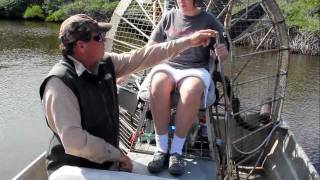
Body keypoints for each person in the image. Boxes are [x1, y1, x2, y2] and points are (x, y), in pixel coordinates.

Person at [39, 13, 218, 176]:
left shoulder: (105, 63)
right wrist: (117, 155)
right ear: (81, 46)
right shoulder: (60, 83)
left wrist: (188, 41)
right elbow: (74, 142)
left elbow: (144, 56)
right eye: (99, 37)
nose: (104, 40)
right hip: (73, 170)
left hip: (105, 163)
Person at [146, 0, 228, 176]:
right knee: (157, 84)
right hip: (168, 65)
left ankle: (176, 151)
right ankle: (161, 149)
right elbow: (150, 47)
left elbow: (223, 51)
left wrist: (222, 52)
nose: (181, 1)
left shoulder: (209, 20)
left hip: (195, 69)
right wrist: (129, 69)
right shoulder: (168, 17)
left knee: (191, 91)